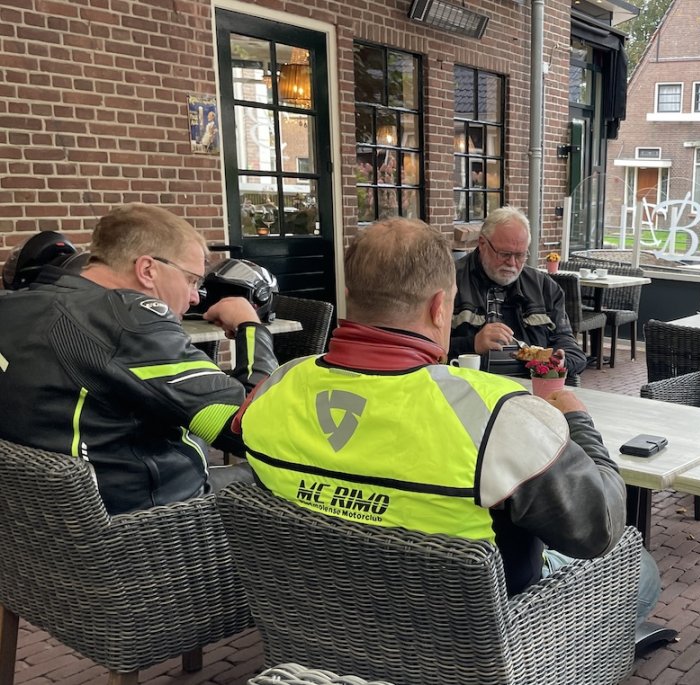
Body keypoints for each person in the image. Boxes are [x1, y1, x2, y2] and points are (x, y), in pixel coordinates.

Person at [237, 216, 659, 622]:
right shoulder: (495, 414)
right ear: (440, 307)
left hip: (322, 618)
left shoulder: (277, 387)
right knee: (640, 570)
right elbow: (598, 529)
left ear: (350, 294)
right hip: (475, 636)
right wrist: (579, 421)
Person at [0, 203, 277, 515]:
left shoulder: (15, 306)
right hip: (151, 520)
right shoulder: (128, 321)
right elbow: (254, 428)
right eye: (191, 280)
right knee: (290, 476)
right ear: (148, 270)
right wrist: (250, 326)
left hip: (41, 519)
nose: (194, 297)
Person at [450, 206, 587, 375]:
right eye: (504, 254)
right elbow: (426, 348)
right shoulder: (449, 281)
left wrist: (560, 361)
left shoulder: (545, 287)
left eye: (520, 255)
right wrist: (472, 344)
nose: (512, 263)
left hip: (530, 387)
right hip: (467, 385)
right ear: (482, 244)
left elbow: (573, 351)